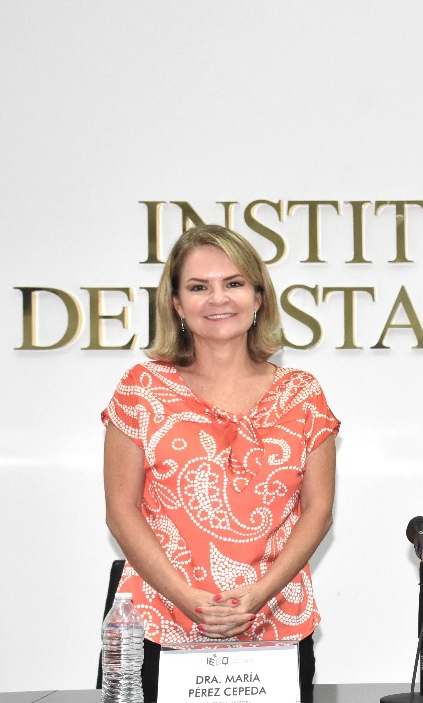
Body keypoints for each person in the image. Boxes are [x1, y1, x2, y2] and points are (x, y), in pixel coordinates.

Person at [103, 225, 338, 702]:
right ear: (175, 304)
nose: (218, 299)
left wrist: (258, 594)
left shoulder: (302, 393)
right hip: (159, 623)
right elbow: (120, 511)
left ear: (257, 296)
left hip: (276, 619)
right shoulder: (141, 389)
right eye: (198, 286)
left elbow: (318, 510)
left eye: (233, 283)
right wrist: (188, 599)